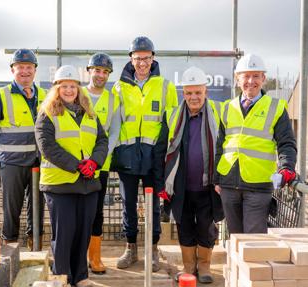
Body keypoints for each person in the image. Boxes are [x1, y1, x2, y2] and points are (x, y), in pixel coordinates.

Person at [35, 65, 108, 287]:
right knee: (64, 234)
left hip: (87, 184)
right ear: (57, 88)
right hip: (60, 185)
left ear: (78, 89)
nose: (69, 90)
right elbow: (47, 147)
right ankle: (61, 277)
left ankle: (81, 277)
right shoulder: (47, 113)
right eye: (64, 86)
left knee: (83, 233)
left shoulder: (89, 113)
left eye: (73, 86)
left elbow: (102, 141)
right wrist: (77, 166)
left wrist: (94, 162)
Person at [111, 36, 178, 271]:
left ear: (153, 58)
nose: (142, 63)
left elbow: (172, 123)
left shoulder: (165, 86)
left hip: (154, 158)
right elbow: (114, 124)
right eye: (137, 58)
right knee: (128, 205)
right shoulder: (119, 87)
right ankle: (130, 249)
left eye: (146, 58)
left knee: (153, 207)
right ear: (130, 59)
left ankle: (152, 251)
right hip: (127, 157)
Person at [153, 67, 224, 284]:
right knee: (184, 227)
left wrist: (222, 179)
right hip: (180, 186)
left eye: (198, 93)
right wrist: (160, 184)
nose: (194, 97)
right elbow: (159, 151)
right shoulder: (172, 115)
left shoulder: (219, 114)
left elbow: (225, 148)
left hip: (208, 185)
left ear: (206, 92)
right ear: (183, 93)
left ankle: (204, 267)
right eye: (189, 93)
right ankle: (188, 266)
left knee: (206, 227)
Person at [214, 54, 297, 234]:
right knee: (235, 238)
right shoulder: (227, 108)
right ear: (237, 79)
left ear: (263, 79)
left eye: (256, 76)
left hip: (258, 186)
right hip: (228, 184)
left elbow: (287, 144)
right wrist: (216, 178)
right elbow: (220, 145)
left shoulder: (275, 108)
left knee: (253, 239)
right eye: (246, 76)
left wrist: (287, 167)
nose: (251, 81)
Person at [0, 48, 45, 250]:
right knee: (11, 209)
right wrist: (1, 148)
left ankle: (36, 249)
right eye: (20, 67)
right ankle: (11, 251)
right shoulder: (1, 95)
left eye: (29, 67)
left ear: (35, 70)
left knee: (37, 209)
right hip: (12, 163)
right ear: (12, 70)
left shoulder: (44, 95)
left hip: (38, 163)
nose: (25, 71)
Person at [83, 53, 120, 274]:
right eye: (97, 70)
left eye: (105, 72)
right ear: (89, 71)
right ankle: (77, 256)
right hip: (76, 163)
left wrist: (98, 159)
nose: (101, 75)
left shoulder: (113, 100)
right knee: (77, 210)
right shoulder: (77, 94)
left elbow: (114, 132)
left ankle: (95, 257)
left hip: (100, 165)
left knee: (96, 211)